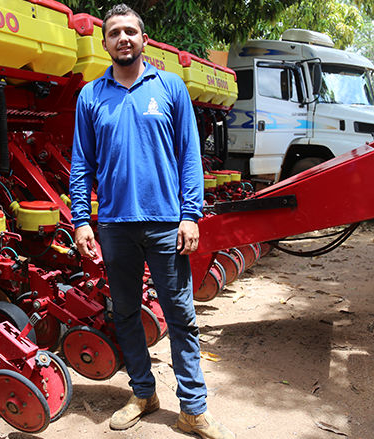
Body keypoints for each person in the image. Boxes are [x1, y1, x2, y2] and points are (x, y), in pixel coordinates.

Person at [68, 4, 234, 439]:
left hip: (165, 225)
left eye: (130, 31)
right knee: (125, 313)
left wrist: (191, 214)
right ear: (104, 43)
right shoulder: (91, 96)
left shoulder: (171, 88)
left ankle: (193, 409)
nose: (123, 38)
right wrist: (82, 220)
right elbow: (82, 164)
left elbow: (190, 157)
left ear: (143, 39)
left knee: (180, 315)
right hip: (115, 227)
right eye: (114, 33)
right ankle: (143, 392)